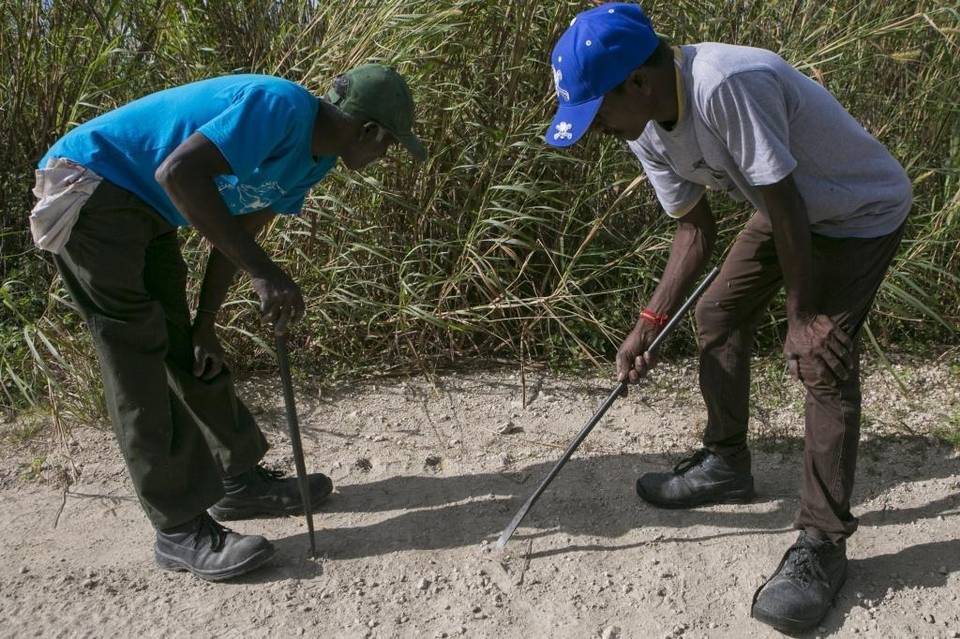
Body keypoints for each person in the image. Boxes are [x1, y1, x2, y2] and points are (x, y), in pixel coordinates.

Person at [544, 3, 910, 632]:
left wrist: (802, 318)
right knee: (717, 310)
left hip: (855, 212)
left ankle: (823, 544)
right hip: (788, 210)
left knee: (821, 355)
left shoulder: (723, 85)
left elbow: (788, 201)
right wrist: (648, 323)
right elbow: (694, 231)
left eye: (595, 110)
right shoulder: (646, 127)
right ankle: (725, 464)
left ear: (638, 81)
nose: (594, 128)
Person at [30, 64, 427, 581]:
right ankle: (178, 530)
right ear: (369, 130)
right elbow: (177, 173)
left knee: (186, 348)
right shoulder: (281, 107)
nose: (385, 156)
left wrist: (207, 322)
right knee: (137, 359)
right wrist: (264, 274)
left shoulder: (313, 162)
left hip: (146, 210)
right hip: (94, 187)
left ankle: (240, 482)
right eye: (390, 144)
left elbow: (238, 233)